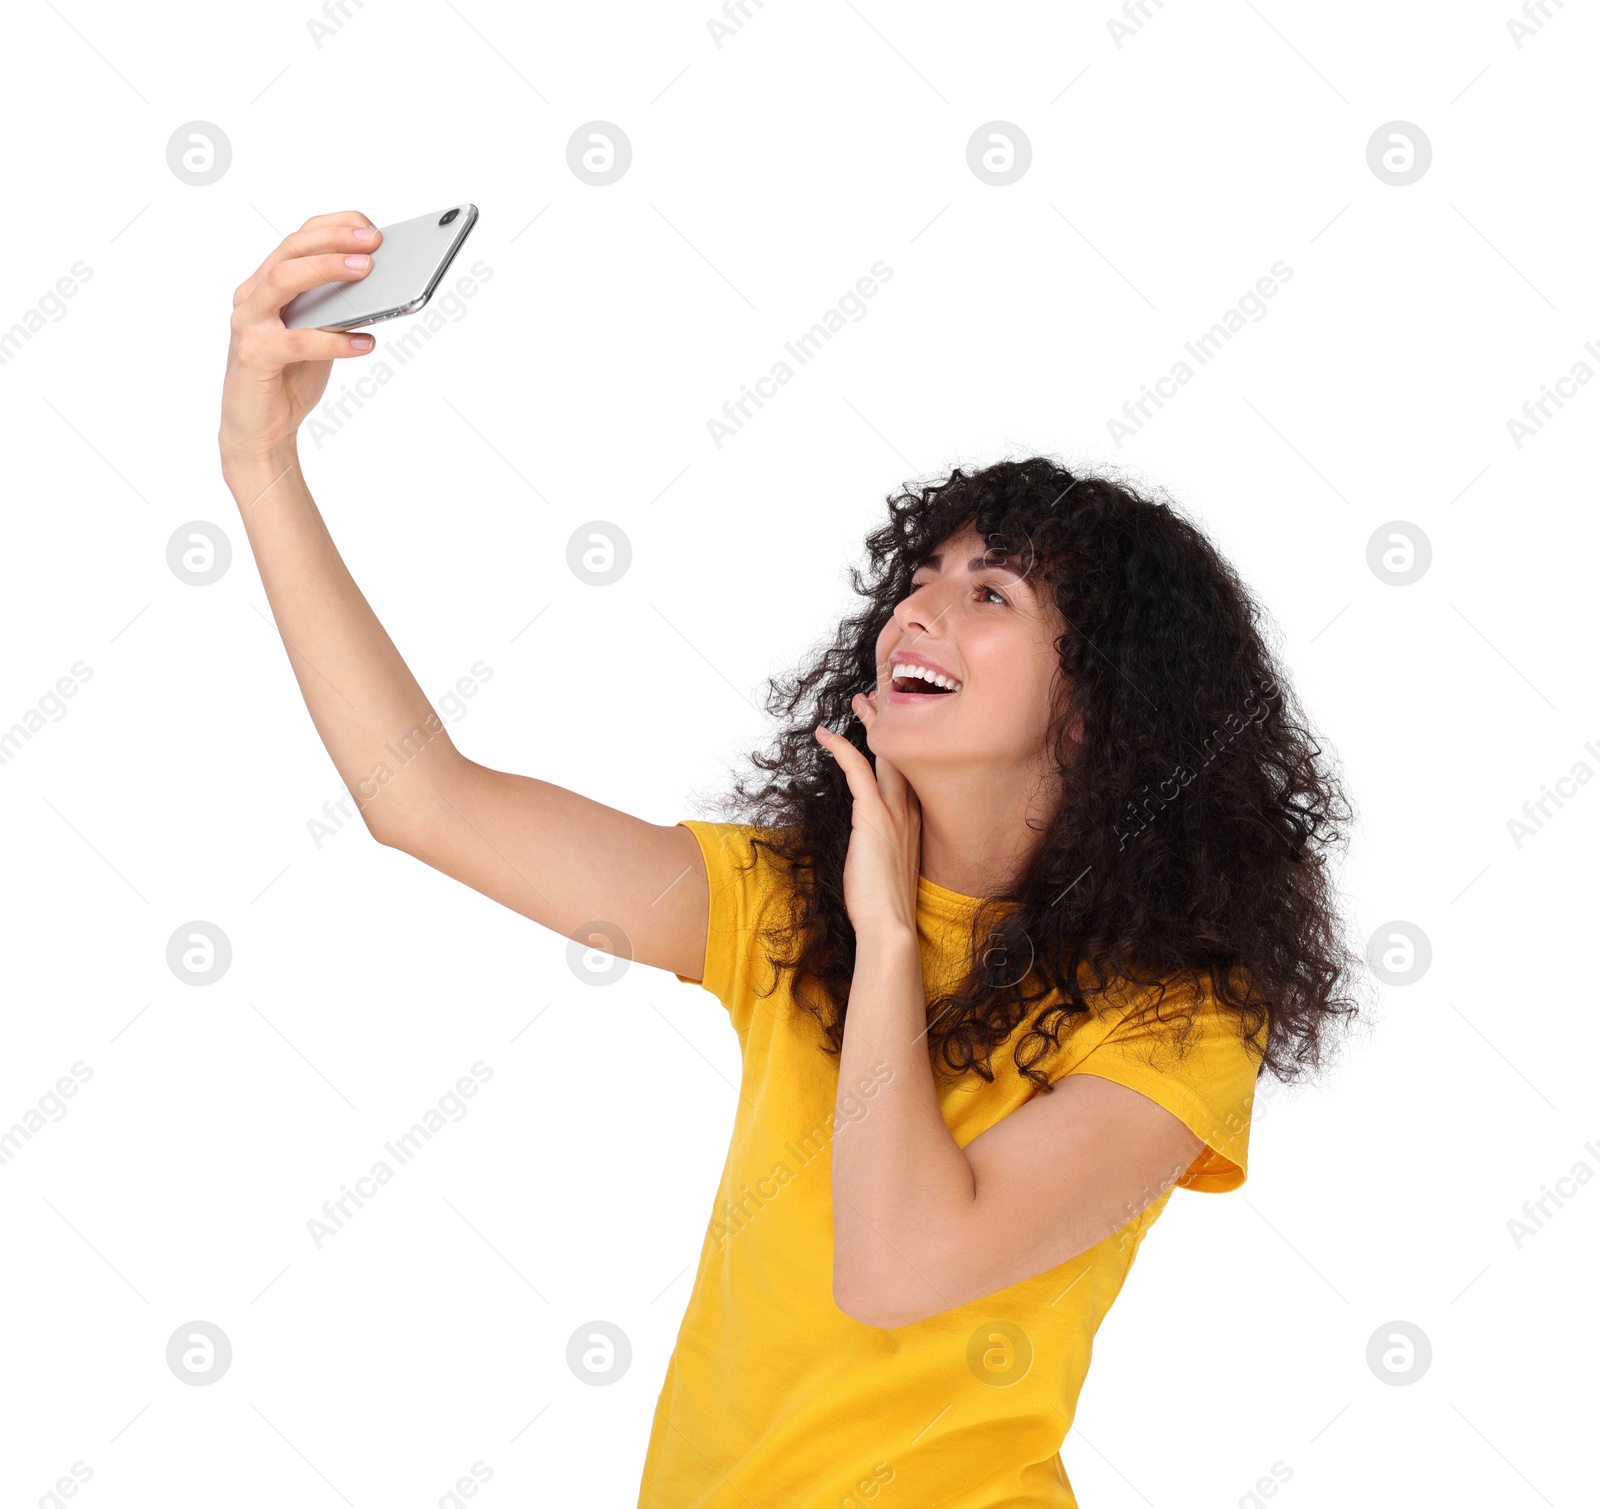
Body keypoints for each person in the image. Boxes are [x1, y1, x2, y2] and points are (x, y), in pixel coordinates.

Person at [220, 210, 1363, 1508]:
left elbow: (897, 1263)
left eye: (991, 593)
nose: (921, 606)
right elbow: (419, 797)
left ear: (1101, 701)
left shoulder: (1177, 1013)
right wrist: (262, 466)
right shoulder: (786, 903)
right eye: (921, 577)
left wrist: (885, 938)